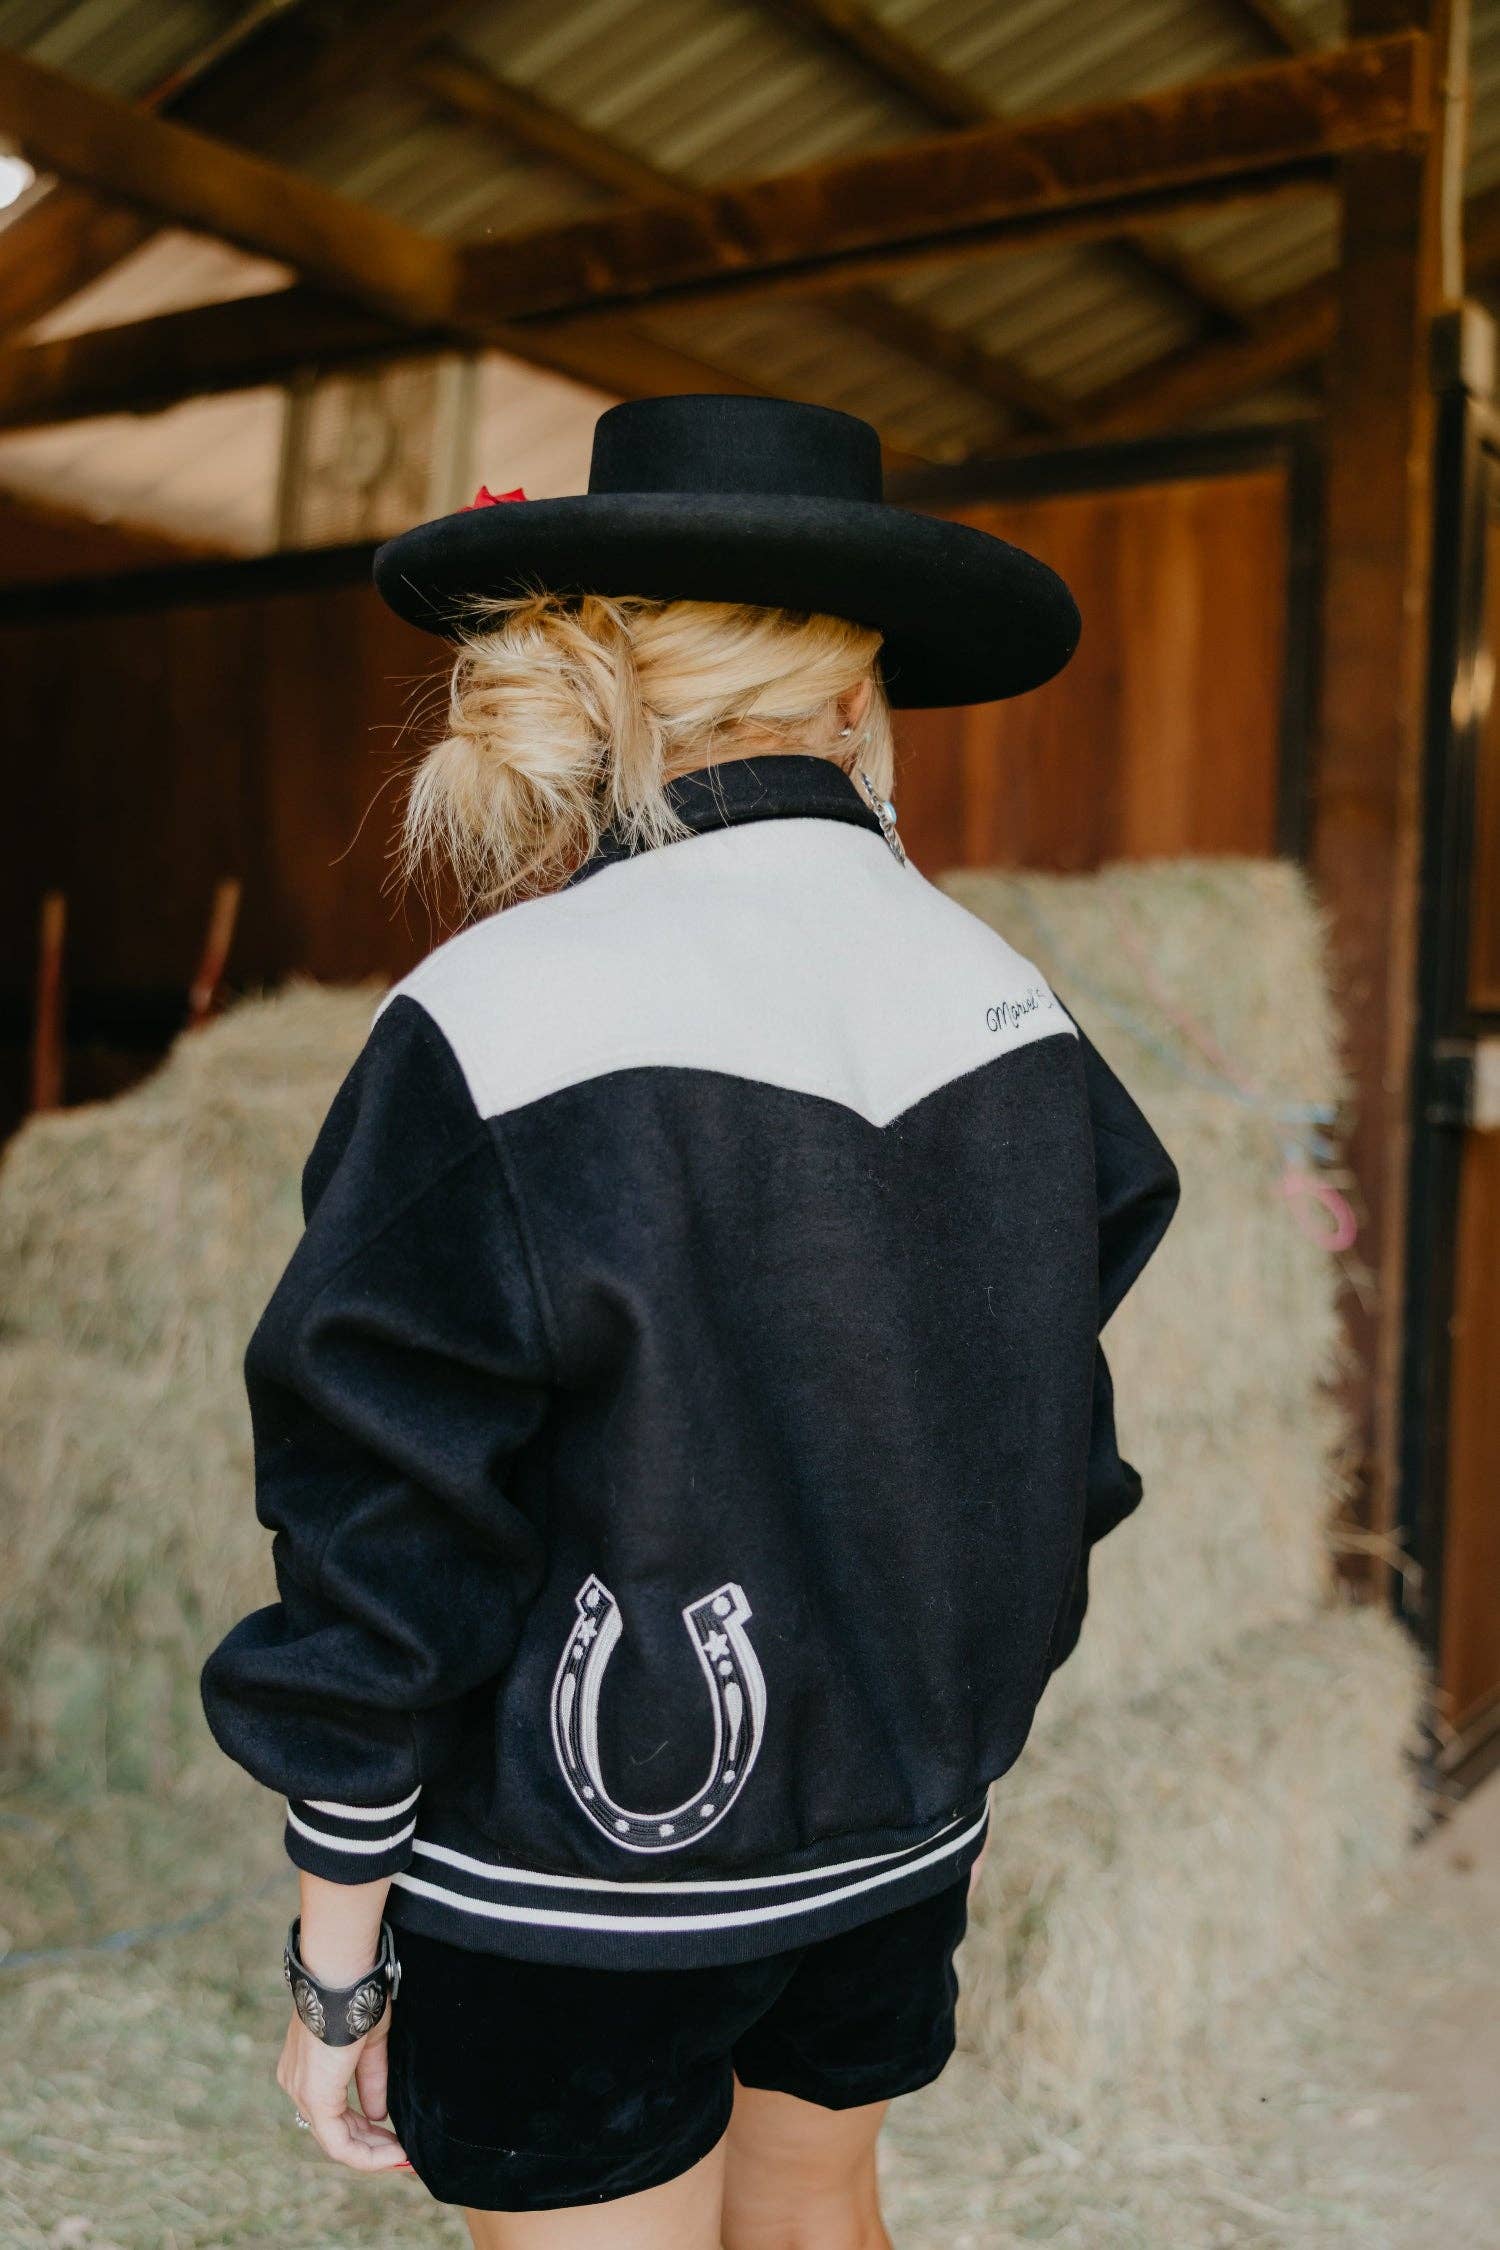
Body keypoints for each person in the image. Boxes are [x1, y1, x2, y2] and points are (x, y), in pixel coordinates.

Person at [201, 393, 1179, 2248]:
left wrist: (338, 1957)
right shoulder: (1015, 1007)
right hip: (902, 1820)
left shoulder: (498, 1012)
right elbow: (1061, 1446)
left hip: (584, 1879)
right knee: (821, 2219)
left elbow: (390, 1509)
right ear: (855, 693)